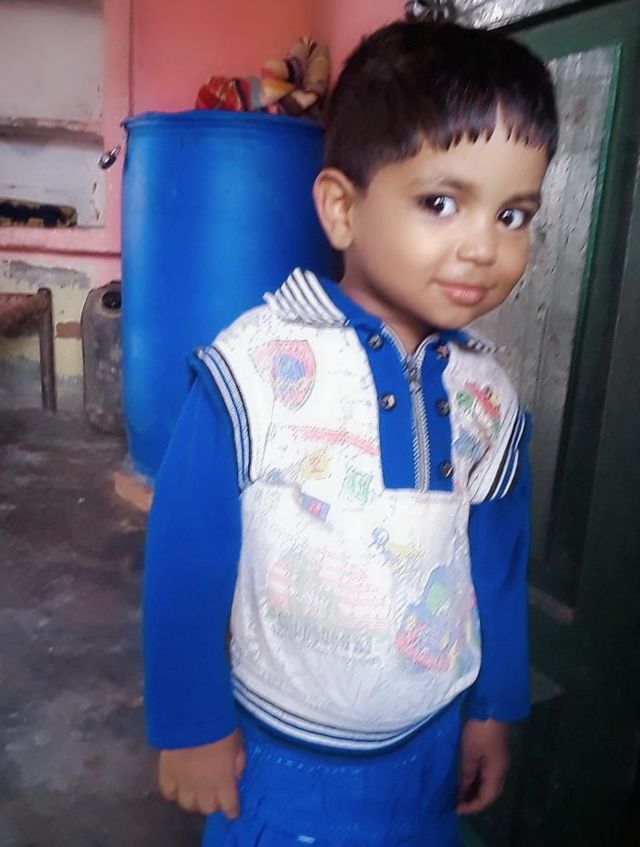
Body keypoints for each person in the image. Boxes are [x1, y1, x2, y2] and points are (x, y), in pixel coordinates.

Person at [143, 18, 558, 847]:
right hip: (278, 760)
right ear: (342, 207)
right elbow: (186, 552)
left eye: (514, 214)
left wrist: (493, 708)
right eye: (441, 203)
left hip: (430, 750)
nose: (484, 246)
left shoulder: (489, 396)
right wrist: (191, 721)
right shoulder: (258, 367)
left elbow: (497, 564)